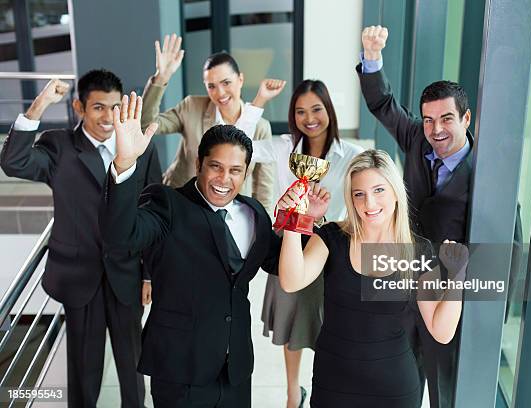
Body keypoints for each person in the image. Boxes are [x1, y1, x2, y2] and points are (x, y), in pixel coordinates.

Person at [100, 92, 329, 407]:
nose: (224, 178)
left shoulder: (254, 213)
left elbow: (282, 262)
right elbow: (119, 239)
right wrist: (124, 164)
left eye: (235, 170)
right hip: (180, 373)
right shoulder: (167, 204)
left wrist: (309, 222)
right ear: (198, 163)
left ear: (246, 172)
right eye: (215, 167)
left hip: (235, 371)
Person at [0, 71, 162, 407]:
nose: (107, 117)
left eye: (114, 108)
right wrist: (39, 106)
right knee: (84, 373)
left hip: (126, 274)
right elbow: (13, 162)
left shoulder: (140, 148)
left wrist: (149, 272)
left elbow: (152, 211)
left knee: (133, 368)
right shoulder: (59, 146)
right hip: (78, 278)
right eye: (98, 107)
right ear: (79, 107)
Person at [277, 149, 467, 408]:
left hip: (394, 389)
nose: (369, 204)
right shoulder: (332, 238)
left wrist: (456, 276)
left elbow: (441, 331)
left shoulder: (418, 252)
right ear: (351, 198)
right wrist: (295, 219)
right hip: (334, 384)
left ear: (395, 192)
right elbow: (291, 281)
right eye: (359, 194)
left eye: (379, 190)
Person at [357, 25, 474, 408]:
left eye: (446, 119)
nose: (436, 130)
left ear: (466, 119)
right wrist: (372, 56)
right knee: (396, 380)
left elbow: (508, 244)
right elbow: (382, 103)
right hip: (400, 282)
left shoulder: (486, 176)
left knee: (443, 385)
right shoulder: (415, 139)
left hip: (445, 296)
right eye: (428, 120)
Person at [250, 78, 364, 407]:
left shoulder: (352, 156)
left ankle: (329, 389)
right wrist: (259, 99)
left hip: (332, 253)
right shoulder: (285, 146)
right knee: (291, 327)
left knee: (332, 327)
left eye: (316, 109)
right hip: (290, 246)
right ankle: (291, 393)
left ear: (329, 110)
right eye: (300, 111)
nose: (309, 118)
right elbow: (239, 143)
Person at [140, 33, 275, 213]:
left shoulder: (260, 127)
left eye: (226, 82)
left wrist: (263, 228)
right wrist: (161, 77)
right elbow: (146, 125)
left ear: (240, 79)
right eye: (211, 86)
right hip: (180, 205)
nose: (220, 93)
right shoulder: (192, 107)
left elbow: (264, 188)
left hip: (227, 211)